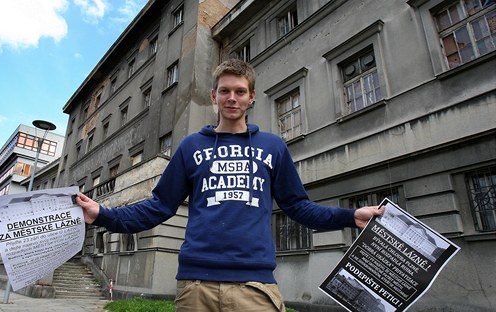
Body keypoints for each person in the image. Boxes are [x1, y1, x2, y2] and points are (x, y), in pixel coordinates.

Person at [76, 59, 384, 311]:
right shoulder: (190, 147)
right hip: (196, 287)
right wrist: (103, 214)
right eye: (225, 91)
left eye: (239, 91)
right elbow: (159, 207)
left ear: (251, 96)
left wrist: (349, 216)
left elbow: (298, 207)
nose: (232, 98)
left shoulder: (273, 147)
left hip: (254, 287)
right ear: (214, 96)